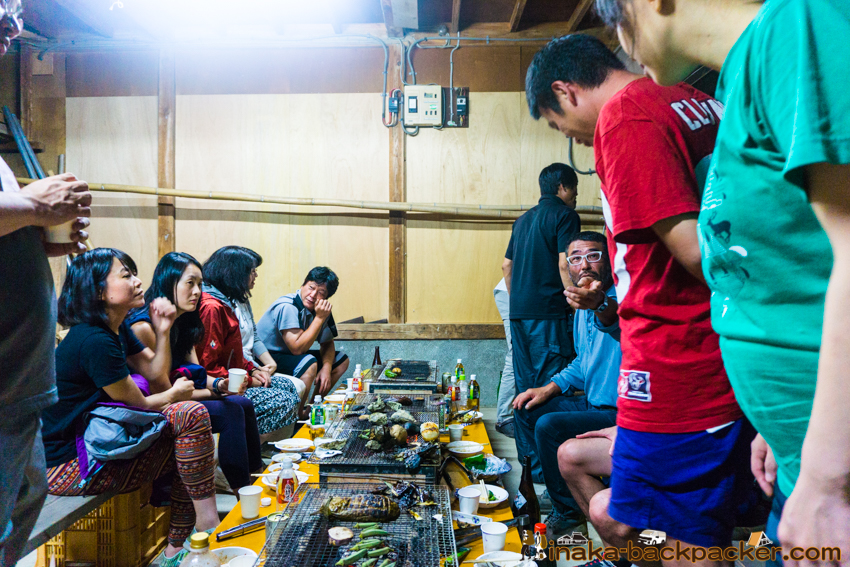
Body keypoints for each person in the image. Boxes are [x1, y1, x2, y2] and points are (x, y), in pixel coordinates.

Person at [592, 0, 850, 562]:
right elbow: (795, 260)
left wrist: (831, 477)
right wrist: (773, 429)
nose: (621, 42)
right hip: (799, 443)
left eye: (615, 18)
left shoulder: (798, 24)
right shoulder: (731, 86)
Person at [525, 34, 754, 560]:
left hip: (677, 362)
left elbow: (697, 254)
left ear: (566, 90)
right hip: (716, 351)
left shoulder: (625, 117)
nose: (575, 139)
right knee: (628, 519)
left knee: (681, 540)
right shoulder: (692, 100)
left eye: (560, 126)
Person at [41, 248, 219, 567]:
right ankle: (197, 534)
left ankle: (182, 542)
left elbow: (154, 372)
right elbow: (142, 402)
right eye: (126, 275)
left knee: (193, 439)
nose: (138, 282)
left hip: (100, 442)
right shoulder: (93, 340)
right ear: (97, 290)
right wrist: (178, 394)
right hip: (70, 464)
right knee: (191, 420)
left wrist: (163, 331)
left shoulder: (116, 327)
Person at [0, 7, 91, 562]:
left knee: (22, 508)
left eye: (16, 16)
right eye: (4, 14)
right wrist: (34, 204)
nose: (15, 30)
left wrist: (42, 236)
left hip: (19, 382)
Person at [511, 231, 621, 538]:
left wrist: (600, 304)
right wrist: (548, 388)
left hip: (619, 411)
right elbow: (583, 363)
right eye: (575, 258)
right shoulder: (580, 309)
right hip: (593, 401)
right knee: (526, 409)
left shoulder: (619, 300)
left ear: (609, 259)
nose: (584, 264)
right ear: (568, 267)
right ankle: (558, 489)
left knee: (548, 426)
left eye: (593, 255)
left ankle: (568, 513)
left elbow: (616, 323)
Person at [128, 252, 263, 491]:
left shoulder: (186, 322)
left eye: (200, 284)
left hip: (180, 396)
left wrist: (219, 386)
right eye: (190, 283)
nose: (198, 291)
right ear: (170, 283)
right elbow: (168, 395)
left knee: (242, 403)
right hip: (154, 406)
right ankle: (243, 491)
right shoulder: (145, 327)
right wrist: (218, 393)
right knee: (231, 411)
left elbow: (198, 374)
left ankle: (256, 479)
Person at [502, 163, 581, 481]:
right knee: (549, 388)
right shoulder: (565, 215)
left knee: (525, 389)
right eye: (575, 189)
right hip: (549, 315)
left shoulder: (523, 220)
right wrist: (575, 301)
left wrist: (520, 301)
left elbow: (507, 266)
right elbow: (566, 262)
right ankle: (553, 471)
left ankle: (531, 468)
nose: (575, 197)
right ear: (563, 187)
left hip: (519, 314)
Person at [196, 246, 301, 440]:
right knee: (284, 400)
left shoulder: (231, 301)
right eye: (252, 271)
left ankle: (264, 446)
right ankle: (254, 447)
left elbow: (235, 351)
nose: (256, 276)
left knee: (289, 387)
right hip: (220, 385)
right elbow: (207, 367)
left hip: (239, 373)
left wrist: (254, 369)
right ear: (235, 273)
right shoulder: (211, 307)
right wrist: (249, 381)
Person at [257, 266, 350, 419]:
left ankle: (312, 408)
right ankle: (297, 417)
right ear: (303, 285)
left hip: (289, 357)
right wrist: (319, 319)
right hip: (266, 359)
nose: (313, 295)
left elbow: (327, 343)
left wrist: (326, 368)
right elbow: (297, 349)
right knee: (308, 362)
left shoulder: (321, 309)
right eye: (311, 287)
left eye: (320, 293)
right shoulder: (288, 306)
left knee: (340, 360)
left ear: (326, 298)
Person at [492, 278, 515, 438]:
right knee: (516, 354)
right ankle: (504, 418)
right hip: (512, 293)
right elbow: (506, 265)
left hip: (520, 293)